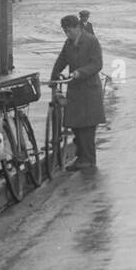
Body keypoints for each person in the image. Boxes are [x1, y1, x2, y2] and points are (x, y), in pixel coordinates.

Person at [50, 14, 106, 171]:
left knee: (87, 127)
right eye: (65, 31)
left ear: (77, 28)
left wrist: (80, 72)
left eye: (69, 31)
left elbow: (97, 64)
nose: (67, 34)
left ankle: (88, 159)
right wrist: (53, 78)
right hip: (75, 91)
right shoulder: (68, 44)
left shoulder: (91, 41)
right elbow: (61, 61)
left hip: (89, 91)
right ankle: (82, 158)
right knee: (75, 125)